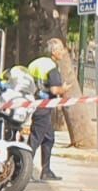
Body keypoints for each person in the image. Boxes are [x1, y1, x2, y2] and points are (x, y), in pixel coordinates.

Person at [25, 42, 70, 181]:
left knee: (49, 138)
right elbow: (54, 90)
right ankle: (23, 168)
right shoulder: (52, 67)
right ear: (54, 52)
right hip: (43, 107)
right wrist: (65, 89)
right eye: (61, 49)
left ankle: (46, 170)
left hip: (33, 102)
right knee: (35, 139)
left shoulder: (36, 63)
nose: (63, 52)